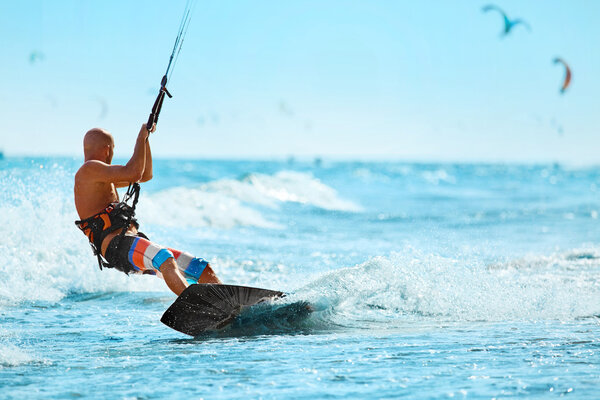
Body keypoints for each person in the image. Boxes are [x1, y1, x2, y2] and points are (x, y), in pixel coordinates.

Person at [74, 123, 220, 295]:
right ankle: (195, 305)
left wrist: (146, 141)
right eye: (113, 149)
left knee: (200, 267)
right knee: (164, 258)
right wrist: (140, 138)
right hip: (117, 247)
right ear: (108, 150)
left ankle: (228, 302)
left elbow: (144, 175)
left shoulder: (101, 178)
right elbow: (133, 172)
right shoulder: (88, 170)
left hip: (130, 245)